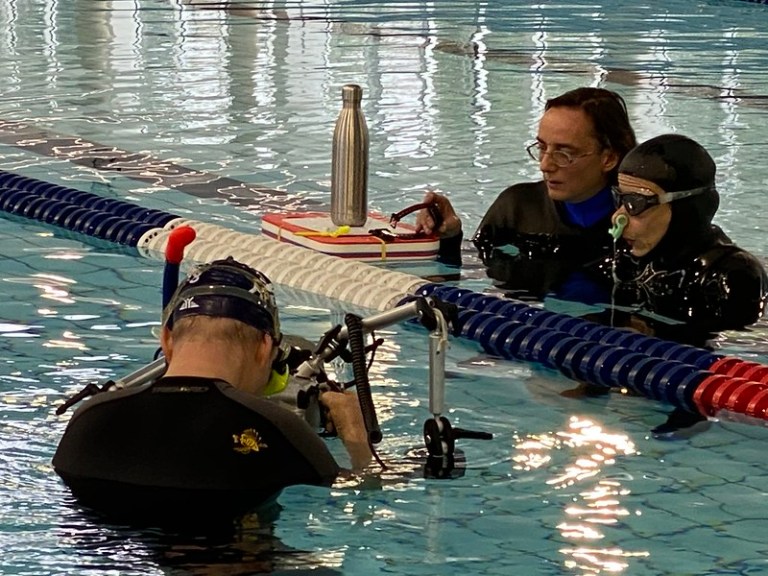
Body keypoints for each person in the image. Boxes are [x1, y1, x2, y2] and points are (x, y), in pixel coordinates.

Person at [53, 257, 372, 522]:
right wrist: (356, 433)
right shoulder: (276, 430)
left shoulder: (90, 419)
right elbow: (366, 492)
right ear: (265, 347)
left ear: (166, 340)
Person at [416, 87, 637, 301]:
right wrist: (449, 237)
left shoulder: (641, 221)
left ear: (608, 158)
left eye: (564, 153)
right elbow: (468, 276)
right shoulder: (518, 207)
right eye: (542, 147)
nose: (545, 165)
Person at [604, 133, 767, 337]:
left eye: (635, 203)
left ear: (686, 210)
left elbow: (735, 344)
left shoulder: (728, 275)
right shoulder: (628, 259)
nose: (618, 217)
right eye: (619, 198)